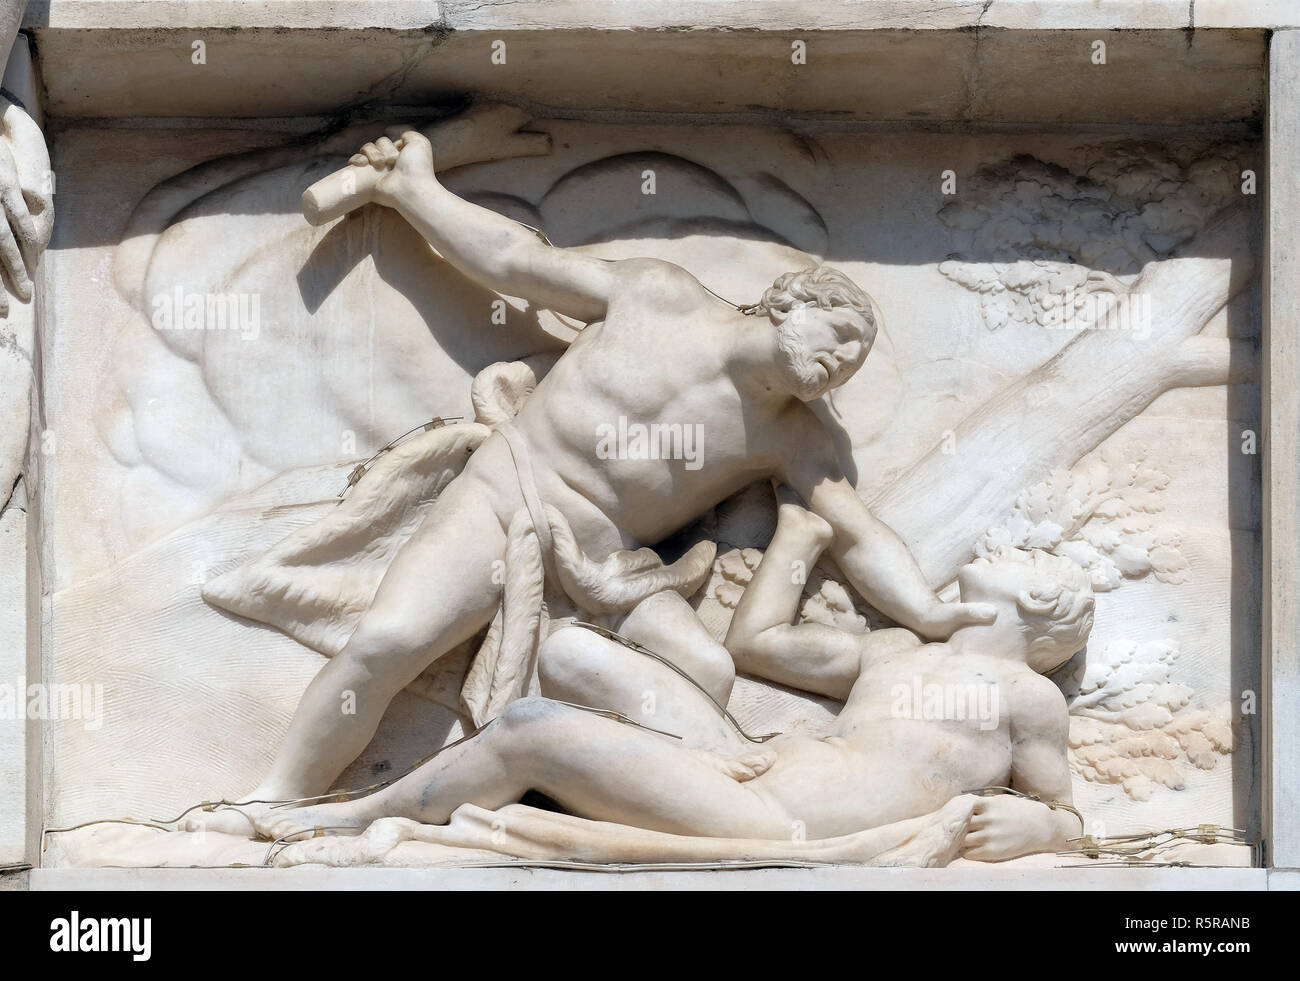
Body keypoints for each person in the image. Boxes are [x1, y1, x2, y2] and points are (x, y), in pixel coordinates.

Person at [195, 127, 995, 835]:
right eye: (841, 335)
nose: (838, 363)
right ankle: (275, 802)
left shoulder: (796, 435)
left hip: (611, 560)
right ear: (793, 301)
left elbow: (857, 530)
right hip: (510, 492)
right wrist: (415, 192)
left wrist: (925, 608)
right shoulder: (656, 294)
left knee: (706, 670)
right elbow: (516, 263)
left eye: (852, 362)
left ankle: (611, 802)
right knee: (389, 641)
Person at [254, 491, 1090, 863]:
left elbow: (1065, 811)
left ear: (1045, 599)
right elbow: (758, 642)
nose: (1001, 549)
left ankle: (341, 819)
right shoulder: (895, 650)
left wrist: (1042, 833)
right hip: (750, 761)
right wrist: (796, 539)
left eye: (1021, 557)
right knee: (572, 651)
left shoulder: (1026, 696)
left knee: (528, 726)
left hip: (778, 815)